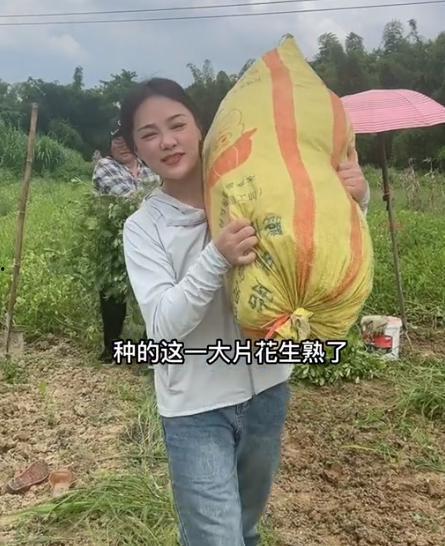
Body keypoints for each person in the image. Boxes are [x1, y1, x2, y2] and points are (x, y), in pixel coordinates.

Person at [121, 78, 370, 545]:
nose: (167, 141)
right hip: (196, 410)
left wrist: (355, 201)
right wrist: (216, 257)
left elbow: (317, 251)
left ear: (202, 127)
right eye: (149, 134)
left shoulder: (255, 190)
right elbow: (162, 326)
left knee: (246, 529)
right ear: (135, 149)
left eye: (177, 125)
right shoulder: (144, 228)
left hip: (267, 393)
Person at [93, 122, 159, 363]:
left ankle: (148, 349)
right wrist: (155, 202)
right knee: (113, 295)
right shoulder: (105, 166)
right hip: (116, 242)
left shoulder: (150, 170)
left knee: (153, 292)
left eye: (126, 139)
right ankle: (111, 349)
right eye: (116, 140)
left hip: (150, 241)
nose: (121, 145)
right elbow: (127, 198)